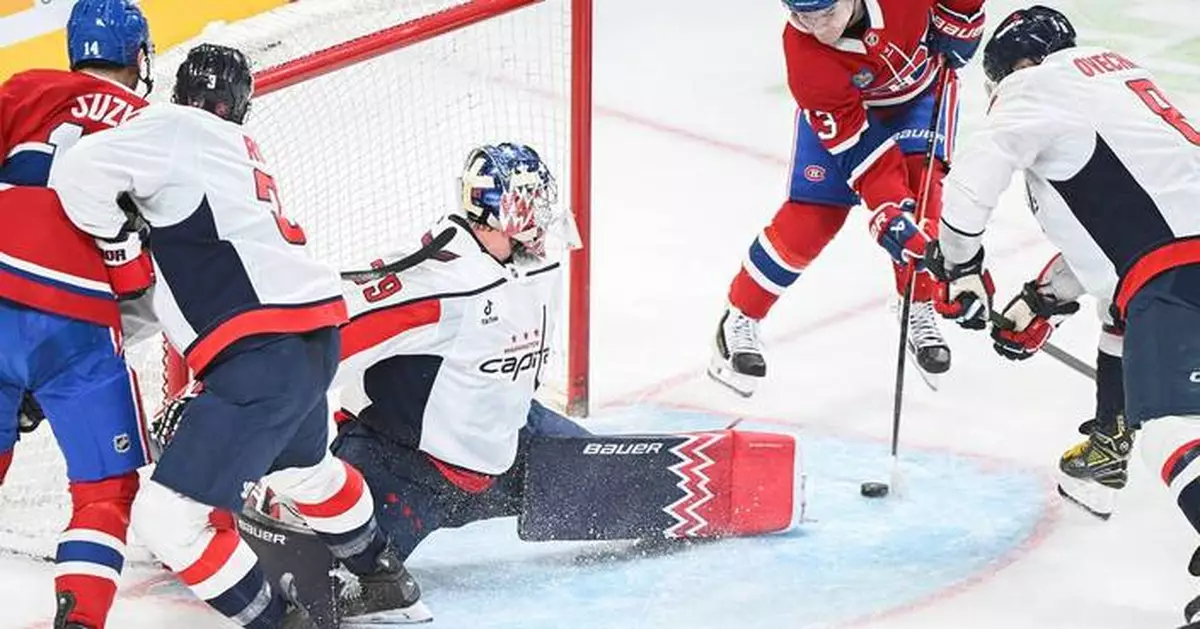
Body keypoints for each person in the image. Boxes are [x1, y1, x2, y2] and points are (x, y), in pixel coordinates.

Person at [50, 43, 428, 628]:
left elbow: (76, 174)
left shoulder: (171, 126)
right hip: (313, 341)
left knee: (168, 519)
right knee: (304, 472)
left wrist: (118, 239)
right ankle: (386, 579)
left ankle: (281, 623)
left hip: (258, 355)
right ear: (241, 107)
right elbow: (184, 282)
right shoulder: (243, 154)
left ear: (181, 94)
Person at [923, 6, 1200, 624]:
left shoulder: (1036, 84)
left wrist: (960, 263)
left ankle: (1127, 437)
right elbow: (1118, 224)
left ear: (1011, 68)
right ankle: (1107, 453)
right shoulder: (1112, 81)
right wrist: (1041, 299)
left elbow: (974, 178)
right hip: (1172, 263)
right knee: (1123, 312)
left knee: (1168, 423)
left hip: (1182, 273)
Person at [708, 0, 986, 396]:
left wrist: (962, 18)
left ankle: (917, 305)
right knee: (813, 218)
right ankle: (738, 317)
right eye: (802, 15)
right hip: (848, 116)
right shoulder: (806, 57)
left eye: (824, 13)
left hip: (920, 99)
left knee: (925, 199)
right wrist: (888, 210)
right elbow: (860, 150)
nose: (817, 28)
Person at [0, 1, 155, 626]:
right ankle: (81, 619)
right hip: (79, 316)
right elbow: (149, 266)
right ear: (138, 56)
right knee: (105, 492)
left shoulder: (27, 86)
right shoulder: (153, 123)